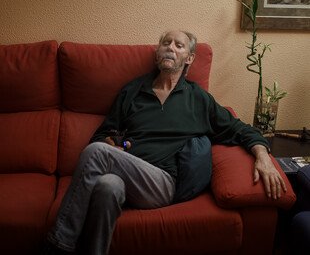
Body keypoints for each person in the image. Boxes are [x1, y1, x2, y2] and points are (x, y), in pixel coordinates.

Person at [43, 30, 287, 255]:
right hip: (126, 172)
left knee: (97, 152)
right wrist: (110, 143)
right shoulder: (132, 91)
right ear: (156, 53)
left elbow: (240, 129)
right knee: (107, 185)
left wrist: (263, 158)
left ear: (190, 58)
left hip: (162, 182)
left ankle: (59, 243)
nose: (170, 47)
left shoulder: (198, 99)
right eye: (165, 43)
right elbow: (100, 136)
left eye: (178, 45)